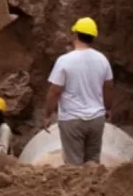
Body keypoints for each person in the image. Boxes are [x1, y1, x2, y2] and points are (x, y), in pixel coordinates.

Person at [43, 17, 113, 165]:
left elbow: (55, 91)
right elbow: (108, 87)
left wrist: (48, 114)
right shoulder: (102, 60)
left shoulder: (64, 61)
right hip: (96, 119)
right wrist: (107, 109)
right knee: (93, 164)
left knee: (74, 167)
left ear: (75, 35)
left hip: (72, 120)